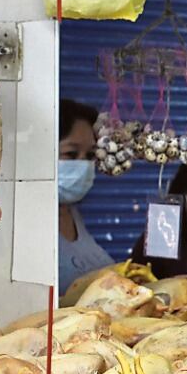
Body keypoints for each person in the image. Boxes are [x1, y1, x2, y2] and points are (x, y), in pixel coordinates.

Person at [58, 99, 114, 291]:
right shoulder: (20, 226)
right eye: (71, 154)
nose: (83, 165)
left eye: (90, 155)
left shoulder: (71, 213)